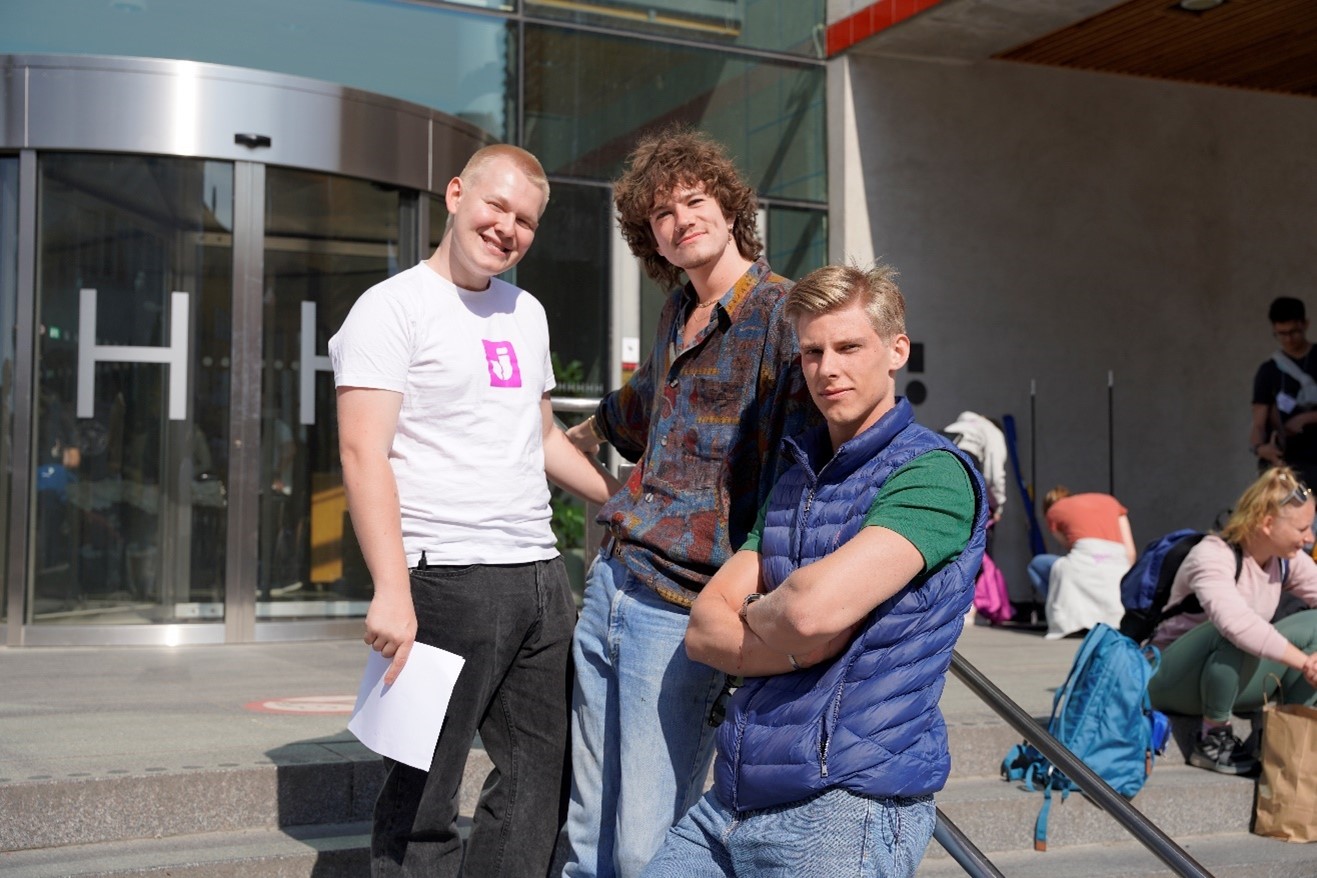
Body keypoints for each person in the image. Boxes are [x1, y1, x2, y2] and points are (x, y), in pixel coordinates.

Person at [330, 144, 620, 878]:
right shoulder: (390, 307)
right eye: (497, 206)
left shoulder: (526, 312)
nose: (508, 228)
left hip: (538, 575)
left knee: (537, 778)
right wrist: (391, 588)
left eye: (525, 220)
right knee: (423, 786)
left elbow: (542, 434)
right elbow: (363, 454)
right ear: (456, 194)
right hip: (442, 576)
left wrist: (619, 500)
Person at [641, 263, 986, 878]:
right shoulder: (797, 478)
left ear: (896, 350)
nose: (828, 369)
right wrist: (799, 642)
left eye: (849, 347)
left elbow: (808, 610)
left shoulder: (933, 474)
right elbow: (705, 629)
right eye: (812, 352)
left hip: (844, 802)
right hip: (733, 800)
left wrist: (773, 615)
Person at [559, 127, 817, 878]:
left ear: (730, 209)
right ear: (654, 242)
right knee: (587, 824)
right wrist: (577, 430)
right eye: (662, 216)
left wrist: (751, 580)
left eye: (694, 201)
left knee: (647, 841)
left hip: (682, 604)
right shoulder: (678, 315)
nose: (681, 220)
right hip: (612, 580)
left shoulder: (780, 314)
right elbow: (643, 405)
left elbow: (799, 470)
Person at [1148, 466, 1317, 776]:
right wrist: (1305, 663)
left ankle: (1293, 729)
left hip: (1222, 678)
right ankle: (1213, 738)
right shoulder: (1213, 554)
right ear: (1267, 523)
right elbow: (1235, 624)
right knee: (1232, 629)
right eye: (1303, 529)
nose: (1309, 539)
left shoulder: (1287, 562)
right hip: (1167, 679)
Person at [1027, 486, 1136, 640]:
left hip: (1082, 565)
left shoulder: (1053, 512)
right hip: (1118, 566)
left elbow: (1072, 549)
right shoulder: (1111, 503)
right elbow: (1130, 552)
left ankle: (1062, 611)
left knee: (1036, 564)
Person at [1252, 296, 1317, 487]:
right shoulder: (1269, 370)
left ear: (1305, 325)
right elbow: (1258, 423)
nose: (1288, 339)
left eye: (1294, 332)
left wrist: (1306, 418)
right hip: (1290, 463)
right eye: (1281, 333)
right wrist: (1261, 448)